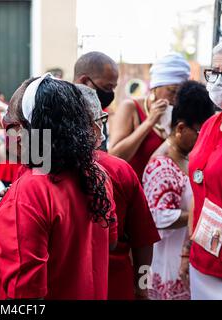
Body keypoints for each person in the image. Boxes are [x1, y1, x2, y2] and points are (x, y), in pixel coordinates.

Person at [0, 74, 118, 300]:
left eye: (8, 124)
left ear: (23, 132)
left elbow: (27, 294)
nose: (5, 133)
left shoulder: (34, 188)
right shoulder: (96, 173)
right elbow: (109, 242)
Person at [77, 84, 160, 300]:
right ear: (98, 125)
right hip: (115, 286)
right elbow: (143, 240)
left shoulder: (41, 173)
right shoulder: (119, 169)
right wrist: (143, 288)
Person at [143, 80, 214, 300]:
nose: (204, 138)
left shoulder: (186, 156)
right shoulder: (161, 164)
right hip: (167, 265)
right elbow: (158, 216)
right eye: (200, 132)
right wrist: (203, 216)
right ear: (181, 128)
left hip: (185, 261)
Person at [109, 53, 190, 180]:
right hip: (131, 193)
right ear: (155, 87)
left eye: (181, 93)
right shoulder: (131, 107)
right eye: (172, 90)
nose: (176, 97)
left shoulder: (181, 112)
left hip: (164, 194)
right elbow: (115, 156)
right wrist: (150, 122)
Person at [185, 43, 222, 300]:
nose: (217, 81)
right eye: (214, 72)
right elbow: (197, 187)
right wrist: (188, 247)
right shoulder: (210, 124)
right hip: (202, 257)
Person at [74, 51, 119, 150]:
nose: (110, 93)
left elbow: (100, 156)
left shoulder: (98, 115)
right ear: (85, 81)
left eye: (113, 88)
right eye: (107, 87)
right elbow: (38, 158)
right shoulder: (54, 112)